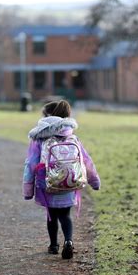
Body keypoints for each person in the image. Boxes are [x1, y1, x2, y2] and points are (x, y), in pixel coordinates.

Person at [22, 100, 100, 259]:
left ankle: (53, 245)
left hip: (48, 183)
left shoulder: (40, 139)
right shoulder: (73, 137)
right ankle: (69, 241)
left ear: (47, 117)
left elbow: (31, 163)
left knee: (51, 215)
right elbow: (86, 160)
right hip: (70, 182)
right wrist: (94, 181)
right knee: (65, 215)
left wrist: (28, 189)